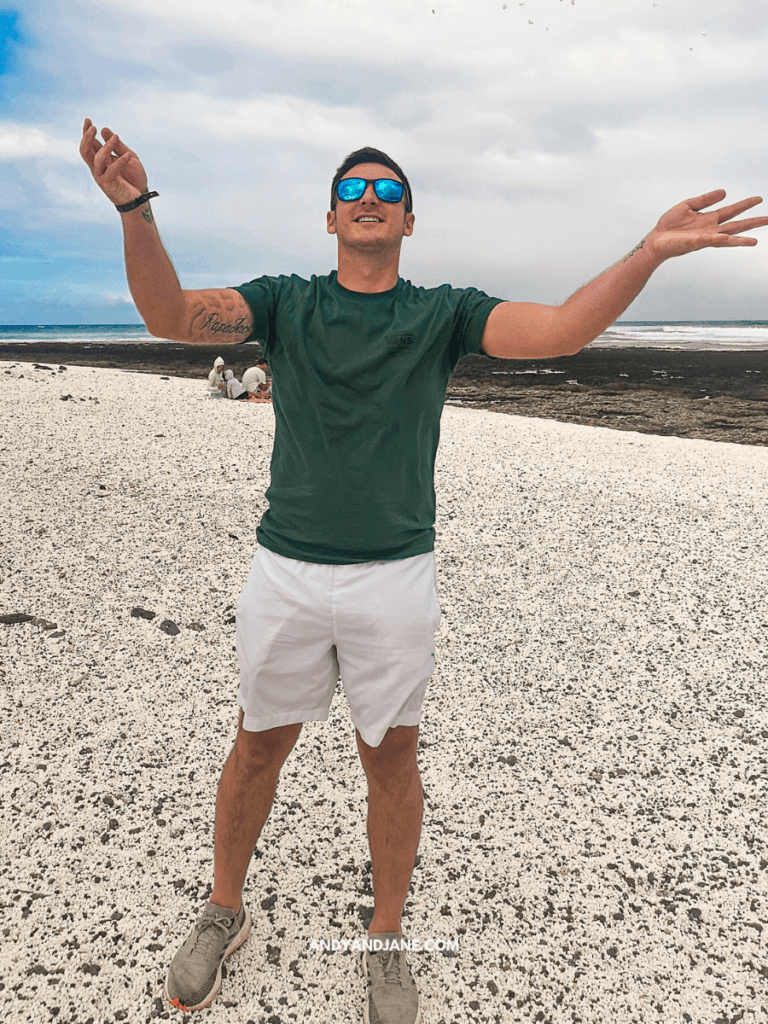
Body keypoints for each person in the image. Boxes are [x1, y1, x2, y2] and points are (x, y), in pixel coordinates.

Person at [79, 117, 768, 1023]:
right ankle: (223, 909)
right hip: (285, 568)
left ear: (410, 220)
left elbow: (561, 330)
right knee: (257, 743)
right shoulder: (286, 302)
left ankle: (389, 935)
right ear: (330, 218)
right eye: (354, 192)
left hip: (393, 576)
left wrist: (646, 251)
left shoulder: (441, 313)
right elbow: (169, 318)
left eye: (387, 192)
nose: (370, 200)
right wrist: (135, 206)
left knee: (390, 755)